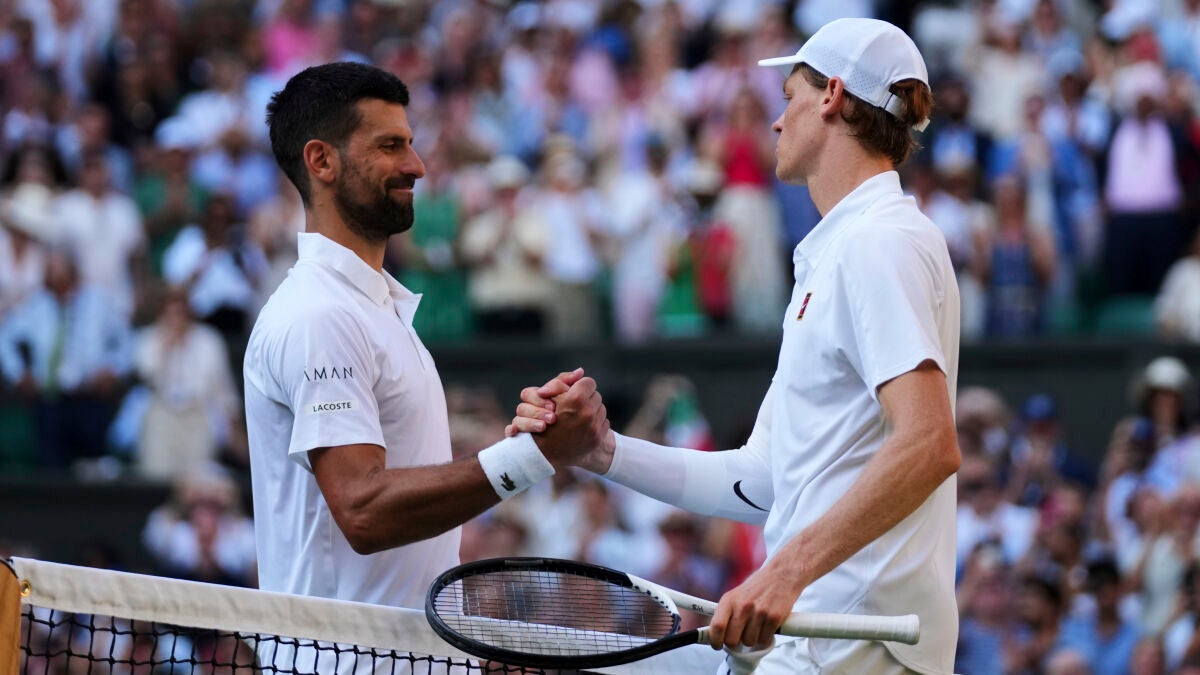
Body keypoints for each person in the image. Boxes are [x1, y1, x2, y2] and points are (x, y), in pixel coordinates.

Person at [510, 18, 960, 674]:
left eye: (789, 97)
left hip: (852, 642)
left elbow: (929, 442)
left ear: (832, 96)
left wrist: (786, 571)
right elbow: (762, 480)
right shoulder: (844, 249)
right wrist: (602, 452)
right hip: (822, 638)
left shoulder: (877, 243)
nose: (776, 121)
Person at [243, 62, 607, 618]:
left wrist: (532, 436)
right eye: (390, 146)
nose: (416, 165)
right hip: (344, 654)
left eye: (410, 144)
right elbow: (364, 510)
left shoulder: (371, 308)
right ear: (321, 161)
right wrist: (531, 456)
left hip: (396, 650)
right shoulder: (320, 316)